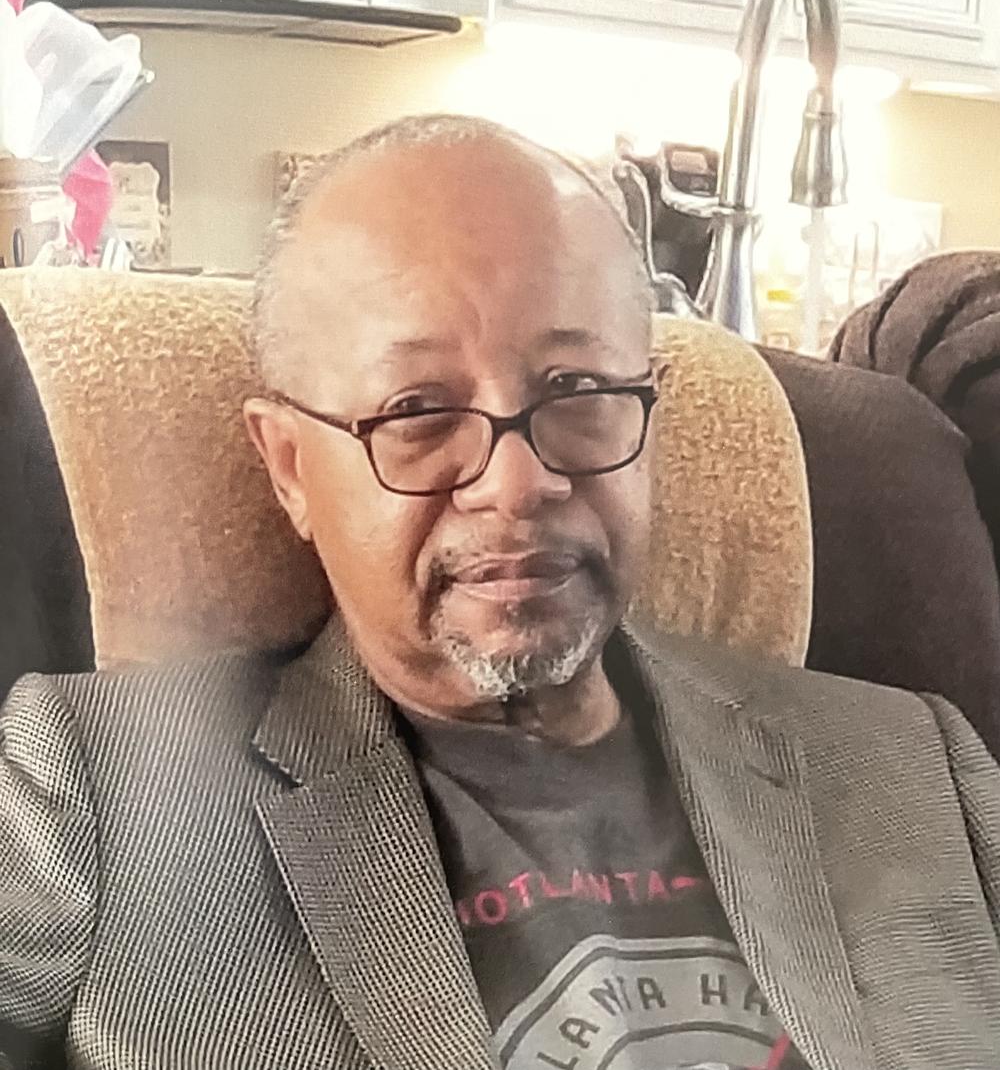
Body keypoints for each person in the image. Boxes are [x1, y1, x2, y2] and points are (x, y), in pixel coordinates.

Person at [0, 115, 998, 1070]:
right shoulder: (97, 791)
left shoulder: (915, 767)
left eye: (576, 394)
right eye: (419, 411)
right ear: (292, 468)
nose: (518, 483)